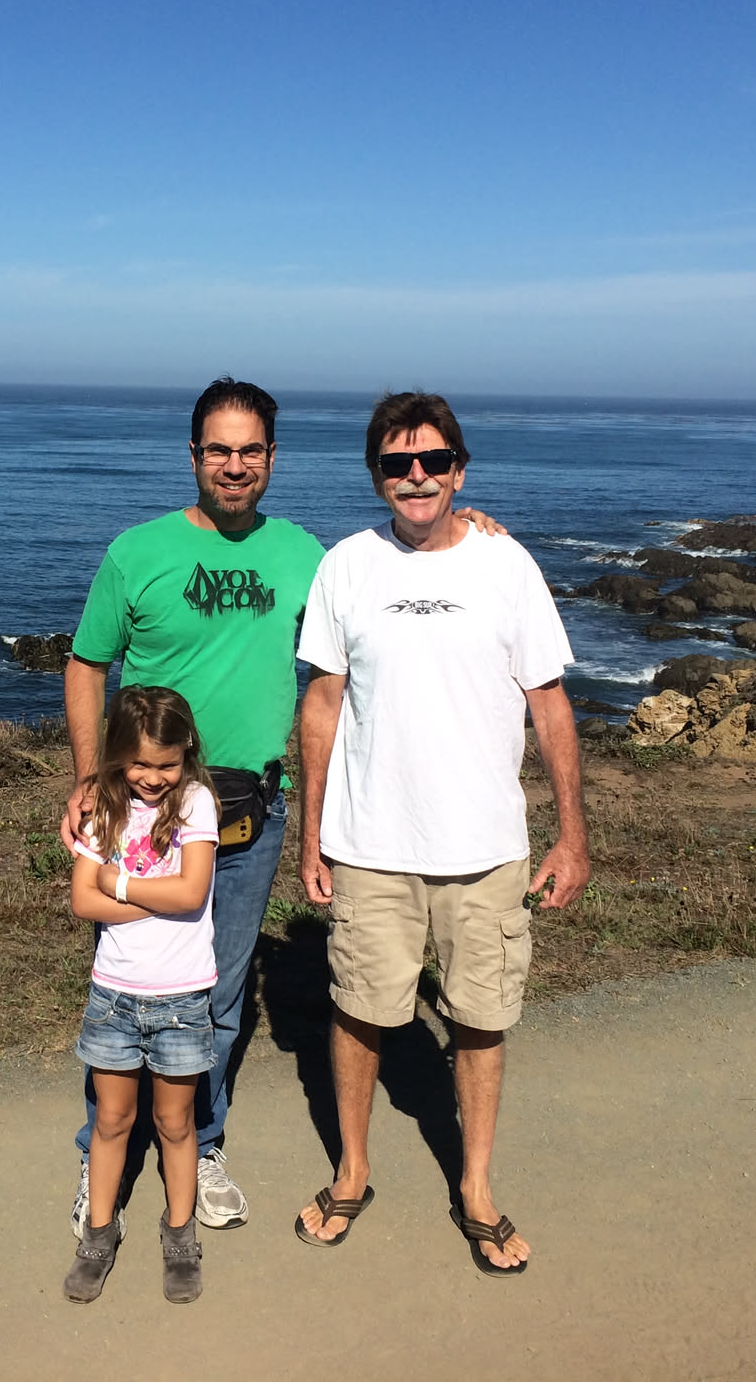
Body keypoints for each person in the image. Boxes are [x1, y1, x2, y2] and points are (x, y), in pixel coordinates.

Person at [61, 376, 501, 1238]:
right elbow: (86, 664)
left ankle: (201, 1143)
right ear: (194, 456)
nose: (234, 466)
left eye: (250, 451)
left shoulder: (310, 557)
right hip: (143, 814)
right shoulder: (135, 553)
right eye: (219, 451)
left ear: (272, 458)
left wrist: (469, 529)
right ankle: (102, 1152)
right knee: (123, 989)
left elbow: (391, 587)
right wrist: (86, 781)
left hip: (248, 814)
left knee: (218, 993)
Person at [293, 391, 590, 1277]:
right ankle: (352, 1171)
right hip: (369, 843)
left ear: (460, 470)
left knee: (481, 1019)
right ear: (376, 475)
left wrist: (572, 837)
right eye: (397, 463)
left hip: (486, 848)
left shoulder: (507, 563)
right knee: (359, 1010)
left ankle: (477, 1186)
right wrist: (311, 835)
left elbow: (549, 703)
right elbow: (323, 703)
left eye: (432, 461)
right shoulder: (346, 565)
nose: (416, 476)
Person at [64, 686, 220, 1305]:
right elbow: (83, 900)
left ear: (186, 754)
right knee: (112, 1120)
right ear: (116, 755)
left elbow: (192, 893)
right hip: (114, 997)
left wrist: (121, 883)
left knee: (175, 1123)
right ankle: (98, 1234)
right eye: (140, 764)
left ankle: (180, 1234)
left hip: (181, 999)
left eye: (167, 764)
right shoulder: (103, 807)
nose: (154, 778)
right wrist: (156, 900)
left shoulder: (197, 803)